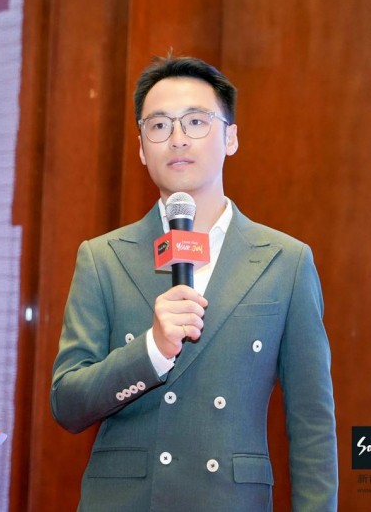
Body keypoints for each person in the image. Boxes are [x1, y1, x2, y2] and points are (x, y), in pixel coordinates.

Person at [50, 54, 337, 511]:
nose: (178, 138)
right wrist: (151, 350)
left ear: (231, 138)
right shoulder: (103, 258)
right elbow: (67, 404)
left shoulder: (286, 261)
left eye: (196, 121)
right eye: (159, 125)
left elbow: (312, 423)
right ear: (141, 148)